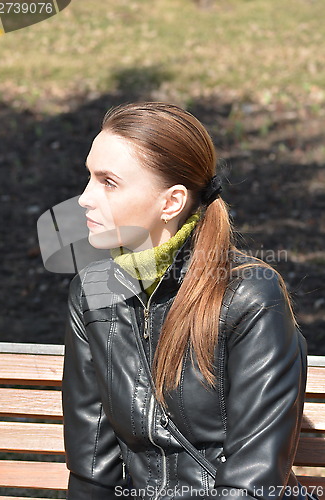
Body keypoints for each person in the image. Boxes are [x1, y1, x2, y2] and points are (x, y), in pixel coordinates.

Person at [62, 102, 308, 500]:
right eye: (89, 177)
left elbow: (252, 483)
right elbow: (93, 471)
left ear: (172, 202)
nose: (84, 199)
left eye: (108, 182)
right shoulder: (93, 292)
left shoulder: (250, 296)